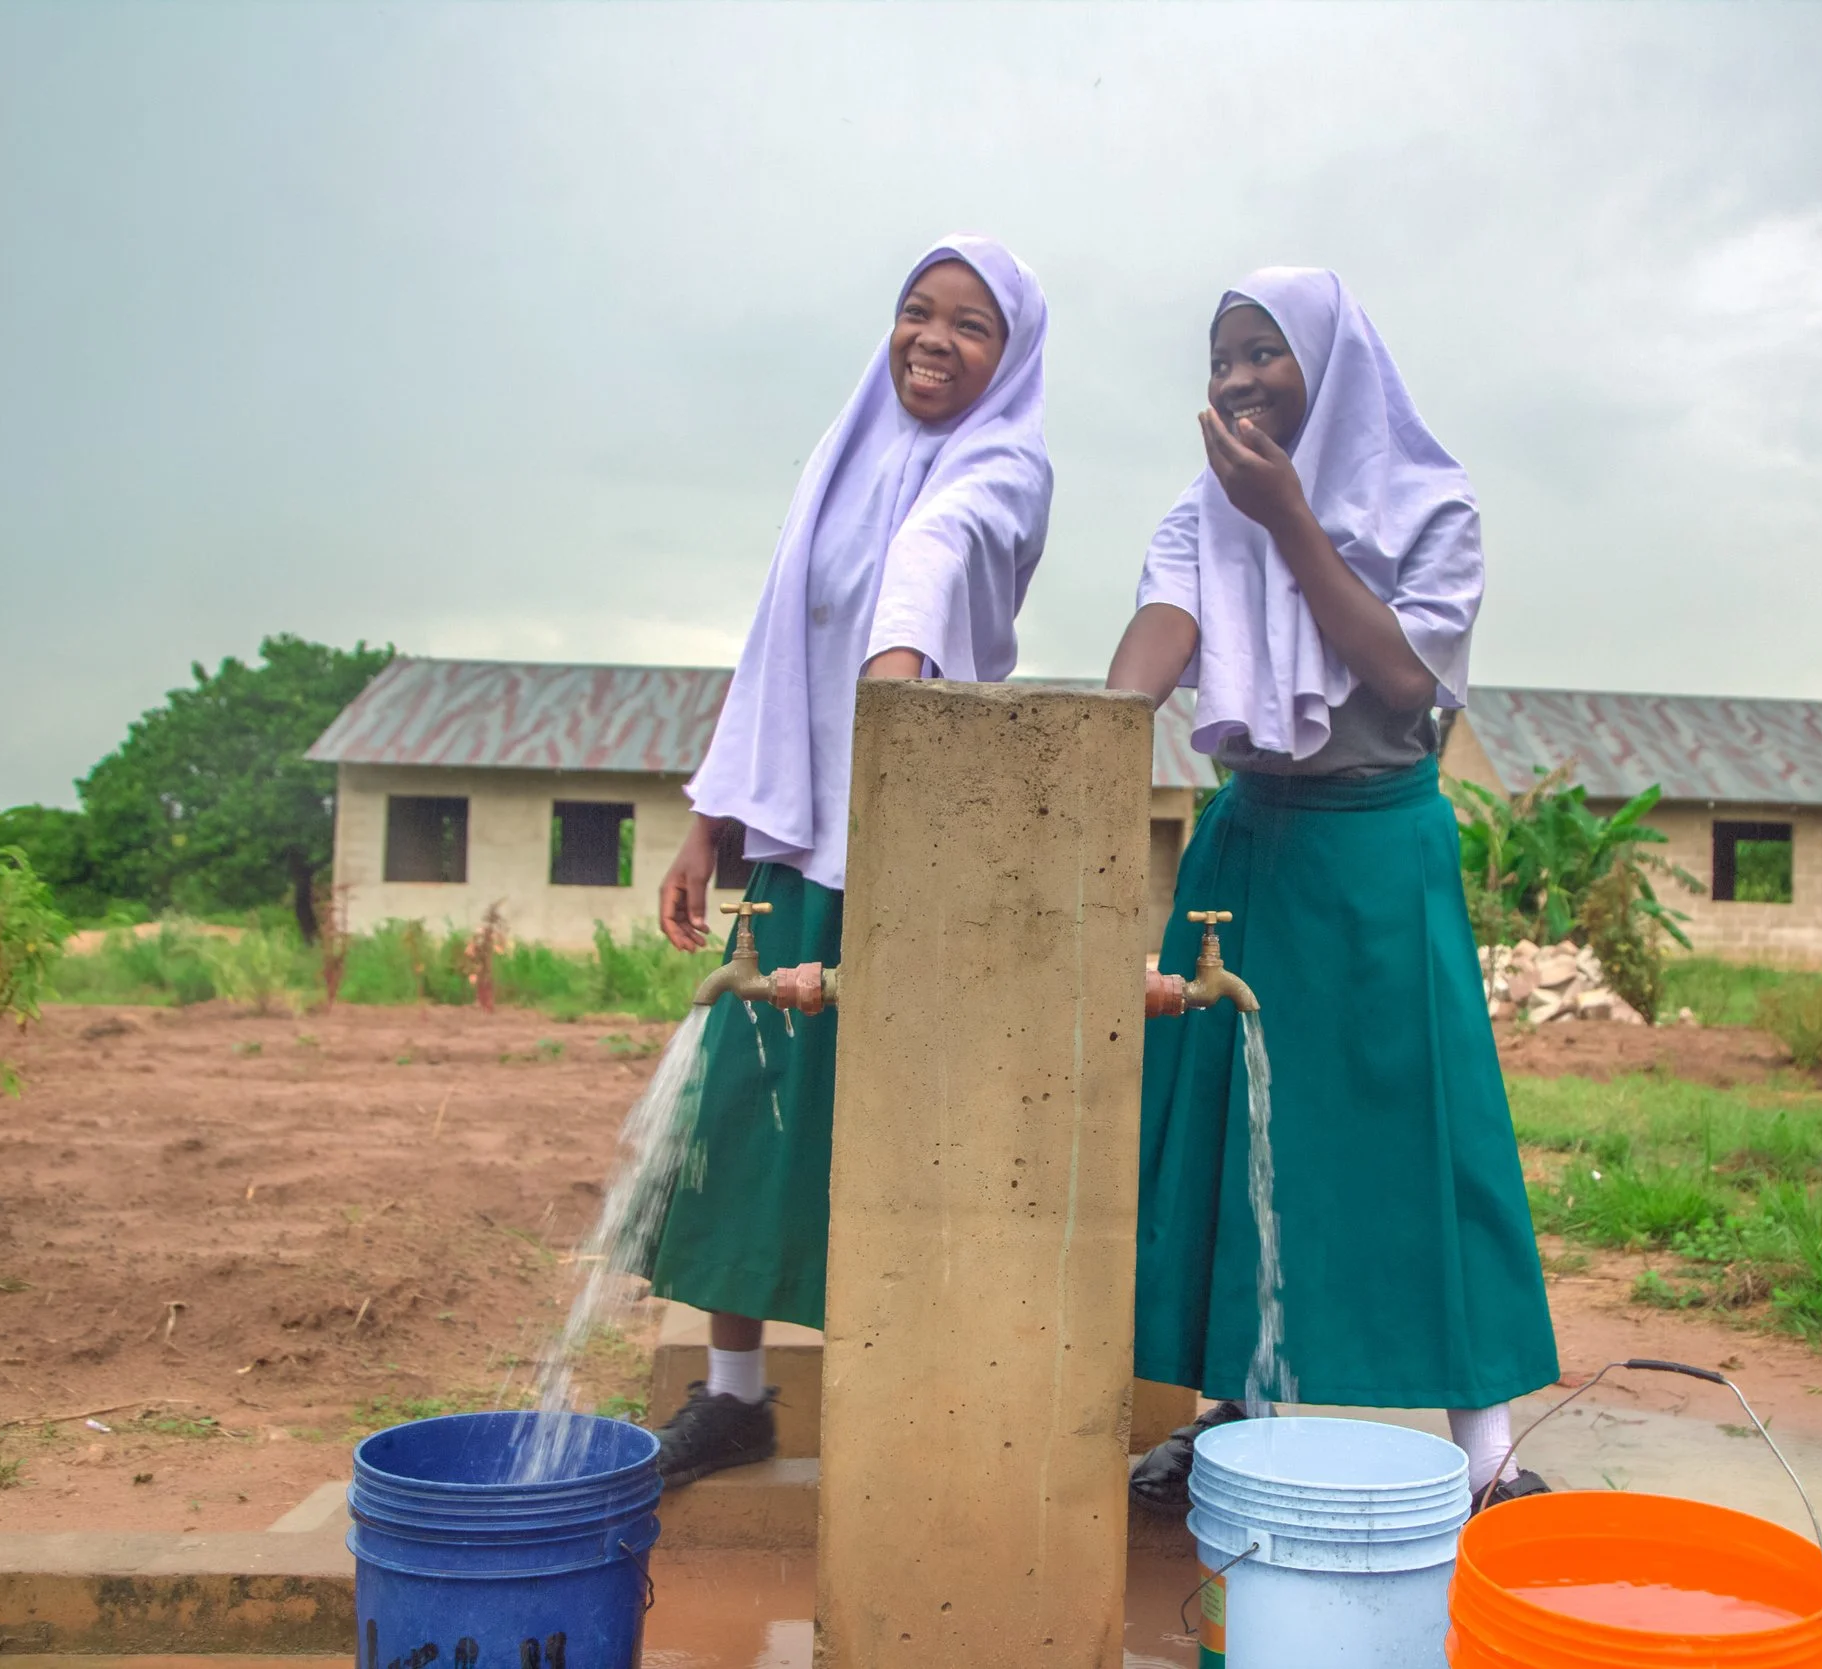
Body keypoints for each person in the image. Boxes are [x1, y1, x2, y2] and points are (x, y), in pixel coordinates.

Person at [1106, 267, 1558, 1513]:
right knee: (1224, 1129)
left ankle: (1490, 1457)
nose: (1238, 378)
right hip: (1246, 851)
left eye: (1265, 352)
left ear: (1332, 362)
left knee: (1428, 1137)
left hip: (1376, 853)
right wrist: (1082, 730)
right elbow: (1157, 640)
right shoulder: (1200, 516)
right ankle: (1226, 1414)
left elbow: (1407, 685)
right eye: (1220, 358)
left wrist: (1292, 518)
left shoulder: (1432, 507)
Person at [641, 235, 1052, 1487]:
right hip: (799, 837)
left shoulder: (1006, 462)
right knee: (748, 1112)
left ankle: (927, 1405)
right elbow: (778, 640)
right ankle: (734, 1395)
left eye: (970, 324)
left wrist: (897, 685)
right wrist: (715, 813)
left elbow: (937, 552)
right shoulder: (844, 458)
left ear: (1013, 351)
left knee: (914, 1128)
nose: (933, 338)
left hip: (918, 846)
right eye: (915, 312)